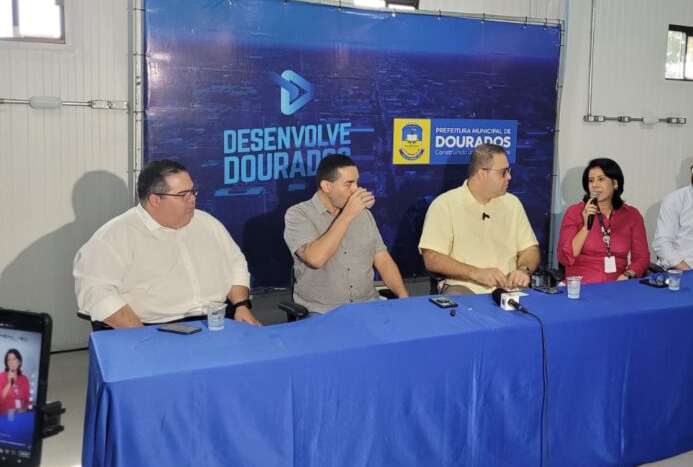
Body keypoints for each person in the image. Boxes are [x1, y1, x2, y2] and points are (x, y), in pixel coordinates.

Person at [74, 159, 262, 329]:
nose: (192, 199)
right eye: (183, 194)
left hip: (218, 321)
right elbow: (96, 292)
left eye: (193, 191)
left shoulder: (207, 223)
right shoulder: (113, 236)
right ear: (155, 199)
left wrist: (241, 306)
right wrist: (139, 334)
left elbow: (235, 262)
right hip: (156, 328)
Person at [284, 154, 408, 314]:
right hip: (322, 312)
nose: (356, 189)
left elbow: (382, 260)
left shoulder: (363, 214)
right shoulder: (299, 214)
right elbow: (315, 258)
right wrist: (348, 215)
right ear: (327, 186)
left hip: (368, 306)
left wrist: (403, 295)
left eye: (356, 182)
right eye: (348, 184)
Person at [420, 144, 540, 295]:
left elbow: (530, 249)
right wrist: (476, 273)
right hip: (465, 287)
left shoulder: (513, 203)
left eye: (509, 171)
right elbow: (432, 258)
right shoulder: (445, 205)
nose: (509, 177)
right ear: (482, 174)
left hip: (510, 289)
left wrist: (524, 269)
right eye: (503, 172)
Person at [557, 158, 649, 283]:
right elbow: (564, 258)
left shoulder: (632, 215)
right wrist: (585, 227)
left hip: (617, 284)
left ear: (615, 183)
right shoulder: (575, 212)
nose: (595, 185)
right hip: (581, 285)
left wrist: (628, 274)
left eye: (601, 179)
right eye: (591, 180)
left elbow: (642, 257)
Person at [0, 349, 31, 414]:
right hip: (4, 416)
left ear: (19, 362)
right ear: (7, 363)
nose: (11, 362)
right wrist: (9, 383)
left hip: (20, 416)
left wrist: (24, 409)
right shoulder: (1, 376)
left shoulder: (24, 379)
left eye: (14, 359)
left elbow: (28, 401)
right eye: (9, 360)